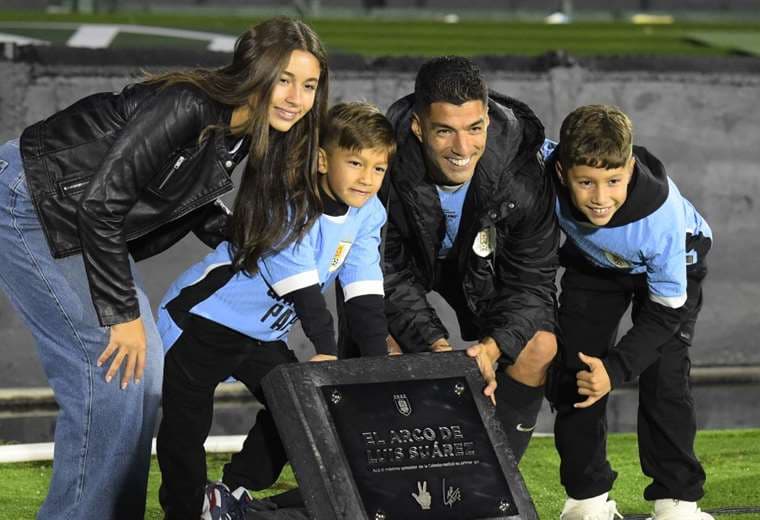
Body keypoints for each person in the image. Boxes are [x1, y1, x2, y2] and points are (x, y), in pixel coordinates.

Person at [0, 17, 328, 520]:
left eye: (308, 85)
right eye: (283, 79)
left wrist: (254, 254)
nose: (296, 97)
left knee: (141, 373)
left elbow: (186, 195)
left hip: (79, 218)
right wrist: (122, 314)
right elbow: (102, 203)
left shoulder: (244, 132)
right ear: (254, 71)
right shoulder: (188, 103)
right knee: (110, 370)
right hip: (32, 199)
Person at [155, 101, 395, 519]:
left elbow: (364, 291)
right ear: (323, 159)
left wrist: (375, 372)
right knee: (186, 425)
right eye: (355, 162)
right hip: (205, 319)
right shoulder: (290, 203)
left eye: (378, 169)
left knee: (299, 411)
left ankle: (230, 490)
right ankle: (184, 510)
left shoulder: (369, 212)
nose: (367, 179)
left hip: (262, 334)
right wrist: (326, 348)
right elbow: (304, 291)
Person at [361, 56, 560, 463]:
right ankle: (392, 482)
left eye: (474, 128)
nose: (462, 148)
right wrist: (436, 349)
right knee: (381, 350)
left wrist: (490, 350)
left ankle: (496, 480)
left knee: (539, 345)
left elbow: (534, 283)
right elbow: (386, 272)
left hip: (487, 271)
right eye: (444, 132)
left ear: (487, 118)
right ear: (418, 127)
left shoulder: (524, 173)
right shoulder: (383, 164)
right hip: (408, 271)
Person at [547, 105, 713, 520]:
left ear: (631, 167)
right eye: (586, 182)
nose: (600, 199)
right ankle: (586, 500)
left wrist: (616, 369)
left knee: (665, 377)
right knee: (576, 371)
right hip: (594, 265)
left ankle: (677, 501)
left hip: (671, 279)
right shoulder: (539, 168)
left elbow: (666, 311)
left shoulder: (661, 220)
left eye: (614, 181)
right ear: (561, 170)